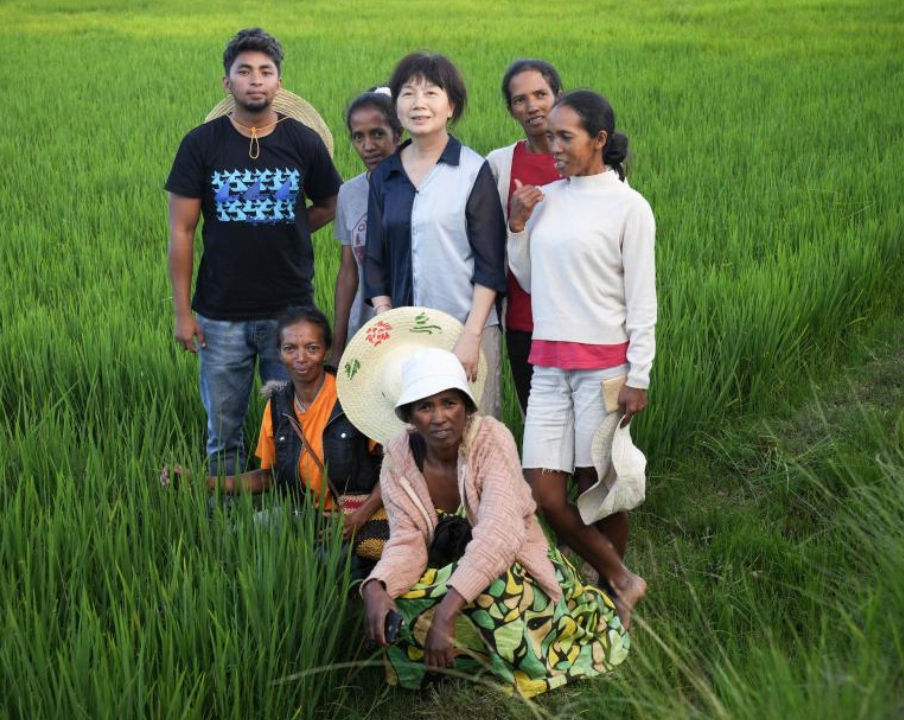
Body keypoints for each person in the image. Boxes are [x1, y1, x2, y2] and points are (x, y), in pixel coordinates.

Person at [358, 348, 629, 697]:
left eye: (449, 403)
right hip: (450, 569)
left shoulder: (491, 439)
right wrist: (376, 587)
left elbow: (499, 534)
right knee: (397, 601)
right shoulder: (398, 455)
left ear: (466, 406)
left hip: (515, 567)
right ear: (410, 415)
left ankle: (517, 653)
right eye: (425, 407)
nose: (439, 417)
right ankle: (462, 655)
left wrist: (445, 613)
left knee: (491, 589)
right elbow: (406, 539)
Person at [165, 28, 342, 485]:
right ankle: (222, 505)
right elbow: (182, 231)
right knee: (223, 424)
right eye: (244, 71)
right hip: (220, 312)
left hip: (290, 310)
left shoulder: (303, 142)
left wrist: (292, 227)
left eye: (266, 71)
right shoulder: (201, 144)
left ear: (279, 83)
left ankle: (291, 501)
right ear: (228, 84)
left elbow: (330, 203)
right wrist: (183, 313)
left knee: (295, 419)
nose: (255, 80)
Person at [507, 90, 655, 622]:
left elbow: (642, 299)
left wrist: (638, 375)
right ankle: (621, 577)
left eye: (566, 137)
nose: (554, 146)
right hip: (547, 365)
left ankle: (610, 587)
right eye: (551, 136)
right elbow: (526, 278)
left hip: (604, 369)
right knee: (544, 490)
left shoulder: (628, 206)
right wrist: (518, 226)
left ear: (598, 140)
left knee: (600, 487)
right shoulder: (546, 197)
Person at [363, 52, 508, 419]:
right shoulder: (386, 175)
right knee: (411, 437)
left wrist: (472, 336)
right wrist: (387, 322)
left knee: (474, 434)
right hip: (405, 334)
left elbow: (490, 264)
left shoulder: (473, 170)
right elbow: (376, 259)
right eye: (408, 93)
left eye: (431, 93)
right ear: (396, 105)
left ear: (451, 106)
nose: (419, 103)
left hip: (466, 326)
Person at [188, 307, 385, 565]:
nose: (301, 357)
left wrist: (359, 516)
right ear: (279, 353)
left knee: (320, 565)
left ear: (326, 351)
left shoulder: (352, 399)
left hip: (353, 516)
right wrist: (202, 481)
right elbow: (269, 477)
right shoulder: (278, 405)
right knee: (234, 537)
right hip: (303, 512)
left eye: (312, 348)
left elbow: (392, 468)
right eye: (290, 348)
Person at [485, 59, 564, 417]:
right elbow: (483, 243)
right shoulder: (499, 164)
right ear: (510, 110)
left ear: (558, 96)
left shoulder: (590, 162)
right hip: (524, 321)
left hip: (580, 323)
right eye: (520, 100)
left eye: (540, 94)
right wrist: (515, 220)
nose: (532, 105)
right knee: (540, 427)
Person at [332, 88, 403, 362]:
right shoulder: (349, 193)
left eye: (377, 134)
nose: (368, 146)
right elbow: (348, 272)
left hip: (411, 328)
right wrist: (338, 346)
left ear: (398, 133)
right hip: (364, 332)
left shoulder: (419, 188)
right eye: (358, 137)